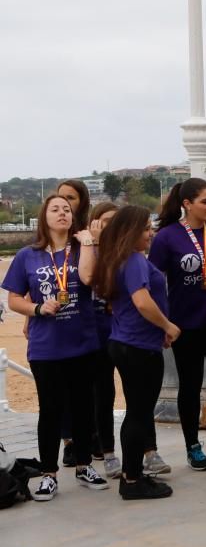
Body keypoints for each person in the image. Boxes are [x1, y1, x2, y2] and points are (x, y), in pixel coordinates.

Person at [1, 194, 107, 500]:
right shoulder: (27, 256)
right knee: (50, 411)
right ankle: (49, 473)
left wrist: (88, 243)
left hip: (83, 342)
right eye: (55, 209)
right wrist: (36, 309)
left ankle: (85, 464)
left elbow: (89, 280)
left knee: (85, 408)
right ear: (43, 217)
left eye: (67, 210)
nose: (62, 213)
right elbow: (13, 300)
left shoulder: (83, 249)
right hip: (46, 347)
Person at [149, 178, 206, 473]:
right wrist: (162, 323)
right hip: (185, 324)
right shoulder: (167, 237)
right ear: (186, 204)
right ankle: (193, 447)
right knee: (189, 387)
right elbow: (153, 282)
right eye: (205, 201)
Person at [92, 205, 179, 500]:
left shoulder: (117, 260)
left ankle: (134, 474)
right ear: (130, 232)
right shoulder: (134, 261)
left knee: (137, 411)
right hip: (138, 347)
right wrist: (168, 326)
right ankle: (131, 480)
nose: (150, 233)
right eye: (144, 228)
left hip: (128, 342)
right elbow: (142, 302)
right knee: (139, 414)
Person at [53, 179, 92, 467]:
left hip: (87, 320)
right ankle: (68, 441)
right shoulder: (48, 239)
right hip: (55, 322)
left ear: (82, 202)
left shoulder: (86, 238)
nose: (65, 204)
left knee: (89, 386)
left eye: (70, 199)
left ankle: (90, 435)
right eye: (59, 199)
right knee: (61, 389)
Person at [88, 202, 122, 480]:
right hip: (97, 331)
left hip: (123, 329)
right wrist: (96, 245)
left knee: (135, 390)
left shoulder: (125, 252)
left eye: (115, 221)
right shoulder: (87, 251)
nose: (109, 226)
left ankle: (148, 449)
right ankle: (107, 449)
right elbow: (96, 282)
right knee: (104, 391)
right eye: (104, 221)